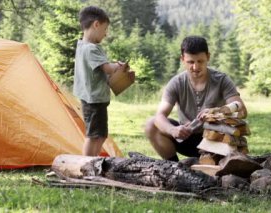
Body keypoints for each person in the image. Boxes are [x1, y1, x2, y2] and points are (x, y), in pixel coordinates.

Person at [145, 35, 247, 162]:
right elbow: (159, 116)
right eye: (191, 62)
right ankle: (174, 168)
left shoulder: (222, 80)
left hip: (215, 139)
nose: (196, 67)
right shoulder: (176, 82)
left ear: (208, 57)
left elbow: (242, 110)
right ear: (182, 59)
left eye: (200, 61)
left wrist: (216, 112)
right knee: (151, 124)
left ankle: (214, 164)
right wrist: (173, 130)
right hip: (187, 137)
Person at [73, 6, 135, 156]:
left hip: (93, 99)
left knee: (99, 135)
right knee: (94, 135)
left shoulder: (81, 46)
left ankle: (91, 161)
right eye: (105, 29)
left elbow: (99, 70)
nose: (106, 34)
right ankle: (87, 163)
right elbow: (107, 68)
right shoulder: (91, 49)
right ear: (96, 24)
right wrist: (119, 66)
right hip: (94, 100)